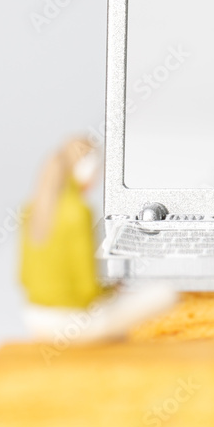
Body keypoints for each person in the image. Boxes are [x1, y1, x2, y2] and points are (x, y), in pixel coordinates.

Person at [20, 137, 177, 343]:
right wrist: (111, 292)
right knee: (167, 294)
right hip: (71, 324)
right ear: (85, 169)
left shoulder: (29, 209)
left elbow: (22, 276)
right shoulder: (79, 212)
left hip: (35, 318)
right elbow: (87, 287)